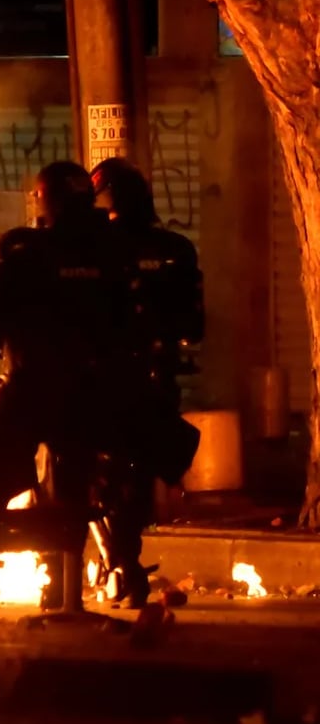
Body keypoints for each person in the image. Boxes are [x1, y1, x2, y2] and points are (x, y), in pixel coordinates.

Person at [0, 160, 134, 618]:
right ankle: (60, 593)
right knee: (68, 494)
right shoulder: (111, 249)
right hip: (86, 391)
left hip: (26, 388)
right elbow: (127, 319)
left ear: (44, 199)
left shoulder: (21, 249)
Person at [89, 157, 205, 607]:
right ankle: (123, 563)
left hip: (105, 382)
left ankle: (121, 565)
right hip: (157, 381)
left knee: (94, 474)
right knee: (134, 477)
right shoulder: (177, 249)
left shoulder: (95, 248)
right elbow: (194, 326)